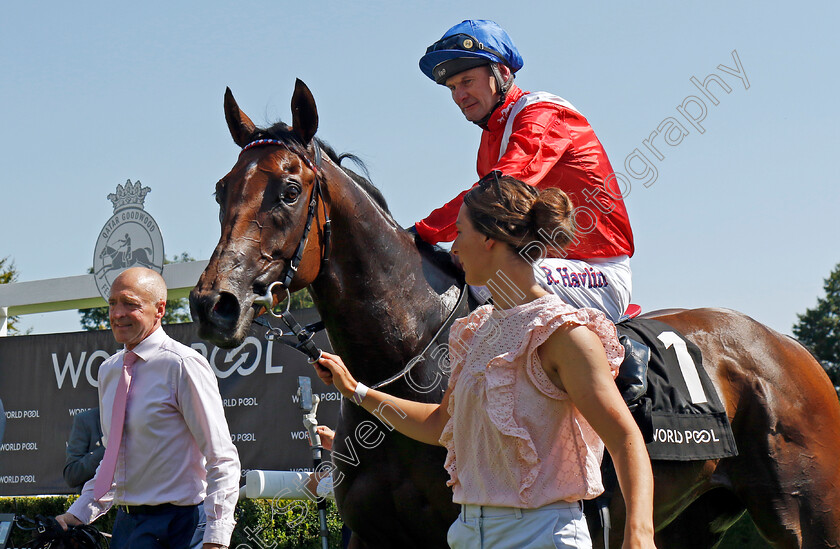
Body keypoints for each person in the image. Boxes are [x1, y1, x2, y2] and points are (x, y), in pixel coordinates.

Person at [315, 175, 655, 548]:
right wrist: (357, 391)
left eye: (460, 232)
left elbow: (624, 438)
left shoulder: (565, 334)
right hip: (466, 534)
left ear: (489, 238)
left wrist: (639, 534)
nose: (454, 247)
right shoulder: (473, 332)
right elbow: (441, 424)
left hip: (541, 536)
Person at [415, 19, 635, 322]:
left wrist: (422, 232)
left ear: (502, 73)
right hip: (545, 264)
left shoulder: (543, 113)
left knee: (487, 279)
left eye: (466, 82)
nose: (458, 96)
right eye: (452, 87)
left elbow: (497, 191)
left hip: (597, 273)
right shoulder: (492, 135)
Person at [56, 267, 240, 549]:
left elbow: (222, 458)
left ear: (159, 309)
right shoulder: (109, 371)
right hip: (127, 527)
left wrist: (216, 538)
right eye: (112, 304)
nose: (117, 313)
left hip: (181, 526)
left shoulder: (183, 365)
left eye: (130, 304)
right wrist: (76, 515)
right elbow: (114, 462)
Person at [64, 408, 105, 492]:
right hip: (98, 501)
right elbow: (72, 474)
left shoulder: (138, 422)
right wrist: (109, 449)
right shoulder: (86, 420)